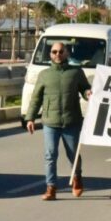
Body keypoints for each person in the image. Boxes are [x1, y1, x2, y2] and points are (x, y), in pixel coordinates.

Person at [25, 42, 91, 201]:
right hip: (50, 122)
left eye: (61, 51)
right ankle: (51, 188)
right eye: (54, 52)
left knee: (73, 154)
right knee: (50, 155)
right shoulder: (45, 75)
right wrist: (30, 118)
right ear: (50, 54)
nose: (57, 54)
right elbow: (36, 98)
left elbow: (84, 89)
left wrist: (88, 93)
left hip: (71, 121)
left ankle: (77, 178)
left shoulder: (76, 72)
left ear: (67, 53)